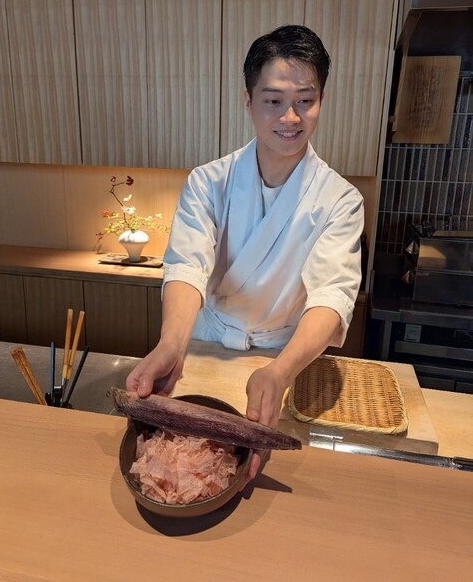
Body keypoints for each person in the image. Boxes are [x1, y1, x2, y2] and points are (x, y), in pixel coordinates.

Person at [126, 24, 364, 482]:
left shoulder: (340, 199)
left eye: (305, 100)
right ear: (248, 101)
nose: (290, 117)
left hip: (283, 357)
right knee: (182, 469)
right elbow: (187, 265)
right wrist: (171, 345)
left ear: (321, 100)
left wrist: (281, 371)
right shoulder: (208, 182)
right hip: (201, 347)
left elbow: (332, 296)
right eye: (273, 101)